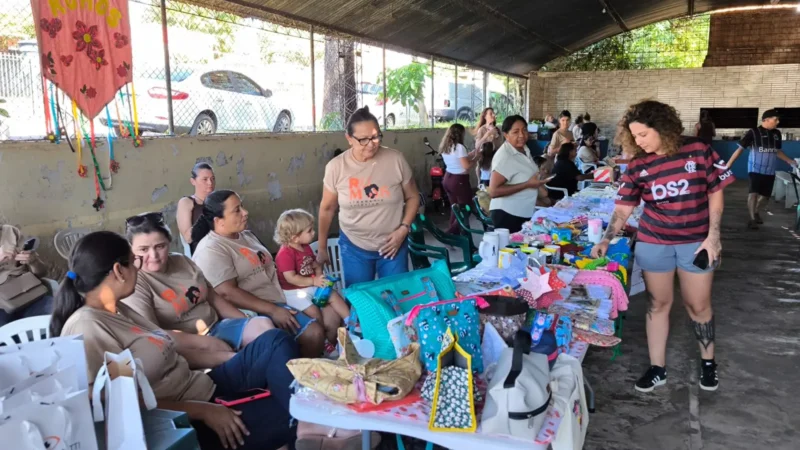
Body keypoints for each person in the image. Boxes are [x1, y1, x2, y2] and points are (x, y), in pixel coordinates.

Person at [51, 231, 298, 450]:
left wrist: (229, 358)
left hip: (201, 387)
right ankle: (301, 415)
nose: (139, 267)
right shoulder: (88, 326)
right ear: (118, 270)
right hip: (184, 420)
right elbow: (117, 405)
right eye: (135, 260)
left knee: (274, 340)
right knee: (290, 416)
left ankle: (301, 408)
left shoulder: (117, 310)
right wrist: (203, 411)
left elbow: (166, 351)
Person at [591, 100, 735, 393]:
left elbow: (715, 194)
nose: (638, 141)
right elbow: (623, 209)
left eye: (643, 134)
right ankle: (658, 369)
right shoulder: (638, 165)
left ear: (662, 128)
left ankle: (709, 363)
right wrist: (607, 237)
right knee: (658, 304)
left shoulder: (698, 150)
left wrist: (714, 236)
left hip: (696, 243)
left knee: (699, 305)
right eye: (634, 136)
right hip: (654, 242)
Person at [191, 190, 325, 357]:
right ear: (219, 221)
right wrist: (272, 310)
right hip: (253, 309)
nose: (245, 213)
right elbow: (227, 293)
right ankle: (296, 378)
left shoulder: (246, 235)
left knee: (331, 317)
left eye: (242, 206)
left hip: (279, 296)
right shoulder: (212, 249)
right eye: (237, 210)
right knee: (313, 334)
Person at [122, 212, 276, 356]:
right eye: (143, 249)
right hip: (187, 347)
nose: (153, 255)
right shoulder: (135, 282)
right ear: (131, 250)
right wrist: (208, 343)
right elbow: (155, 334)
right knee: (264, 353)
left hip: (218, 327)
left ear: (169, 243)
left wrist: (244, 320)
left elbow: (213, 297)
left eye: (160, 246)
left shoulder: (182, 261)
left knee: (265, 329)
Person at [318, 106, 420, 286]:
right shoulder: (336, 167)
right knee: (360, 300)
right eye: (363, 139)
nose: (371, 143)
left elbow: (413, 197)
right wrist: (322, 248)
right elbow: (327, 209)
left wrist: (403, 229)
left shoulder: (395, 160)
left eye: (375, 136)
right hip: (354, 247)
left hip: (393, 244)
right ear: (349, 139)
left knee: (397, 298)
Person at [274, 209, 349, 346]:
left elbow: (314, 264)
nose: (313, 233)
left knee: (333, 294)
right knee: (314, 312)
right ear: (295, 237)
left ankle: (350, 322)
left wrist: (320, 276)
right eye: (309, 231)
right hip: (294, 292)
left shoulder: (305, 247)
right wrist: (314, 281)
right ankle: (324, 341)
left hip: (309, 285)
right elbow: (291, 278)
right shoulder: (285, 254)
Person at [726, 109, 798, 229]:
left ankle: (756, 211)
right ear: (766, 120)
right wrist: (728, 165)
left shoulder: (777, 134)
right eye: (775, 119)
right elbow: (739, 149)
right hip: (755, 169)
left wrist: (789, 161)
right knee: (753, 193)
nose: (778, 122)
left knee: (765, 196)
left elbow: (777, 151)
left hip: (770, 170)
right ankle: (752, 219)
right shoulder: (753, 132)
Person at [488, 115, 549, 233]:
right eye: (515, 132)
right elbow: (493, 191)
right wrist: (527, 184)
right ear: (506, 135)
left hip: (523, 211)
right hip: (507, 214)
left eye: (524, 130)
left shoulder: (524, 148)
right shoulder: (505, 156)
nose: (521, 135)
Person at [0, 225, 53, 326]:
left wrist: (33, 261)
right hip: (2, 308)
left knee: (61, 316)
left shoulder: (11, 232)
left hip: (29, 295)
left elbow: (42, 273)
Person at [440, 123, 480, 234]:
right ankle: (450, 233)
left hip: (448, 178)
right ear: (460, 133)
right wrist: (477, 157)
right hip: (459, 181)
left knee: (455, 208)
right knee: (466, 207)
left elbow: (459, 160)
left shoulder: (446, 146)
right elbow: (466, 165)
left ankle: (455, 234)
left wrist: (470, 154)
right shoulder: (459, 147)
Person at [177, 163, 216, 255]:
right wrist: (207, 214)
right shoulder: (186, 202)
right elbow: (188, 238)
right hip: (201, 254)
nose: (210, 183)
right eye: (205, 179)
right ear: (193, 181)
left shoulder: (218, 201)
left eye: (212, 179)